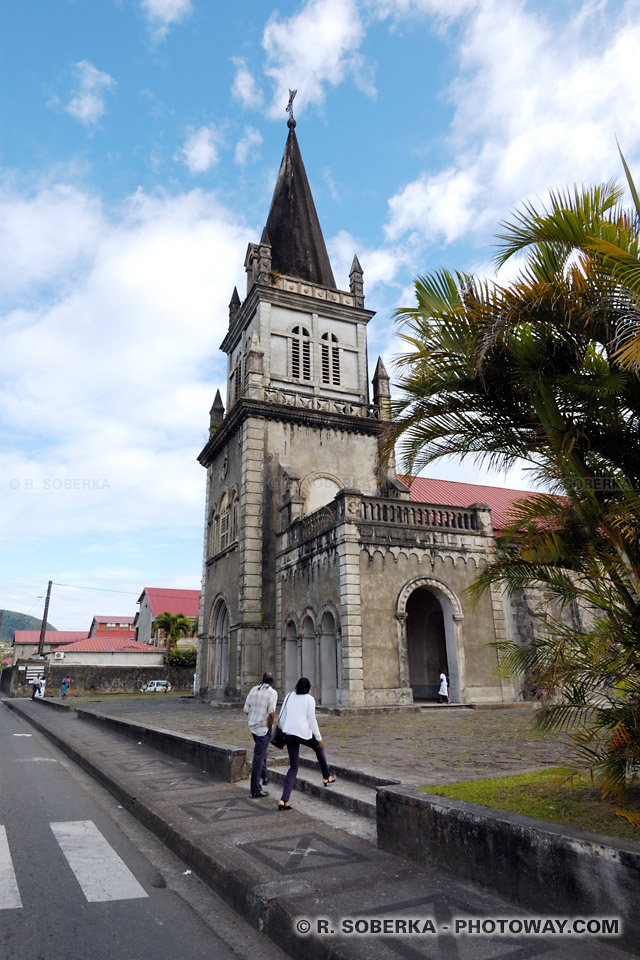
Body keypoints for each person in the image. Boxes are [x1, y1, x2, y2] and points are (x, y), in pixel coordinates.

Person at [278, 677, 335, 811]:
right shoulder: (309, 699)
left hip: (289, 734)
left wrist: (286, 730)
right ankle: (326, 776)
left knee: (293, 767)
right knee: (319, 747)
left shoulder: (289, 696)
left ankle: (284, 799)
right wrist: (319, 737)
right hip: (304, 734)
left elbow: (282, 715)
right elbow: (312, 720)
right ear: (308, 689)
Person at [243, 671, 277, 799]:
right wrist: (269, 727)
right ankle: (255, 788)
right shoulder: (272, 693)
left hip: (253, 726)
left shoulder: (253, 690)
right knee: (258, 756)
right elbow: (272, 714)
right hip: (263, 728)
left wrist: (253, 719)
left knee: (262, 752)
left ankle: (265, 775)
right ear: (272, 681)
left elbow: (246, 709)